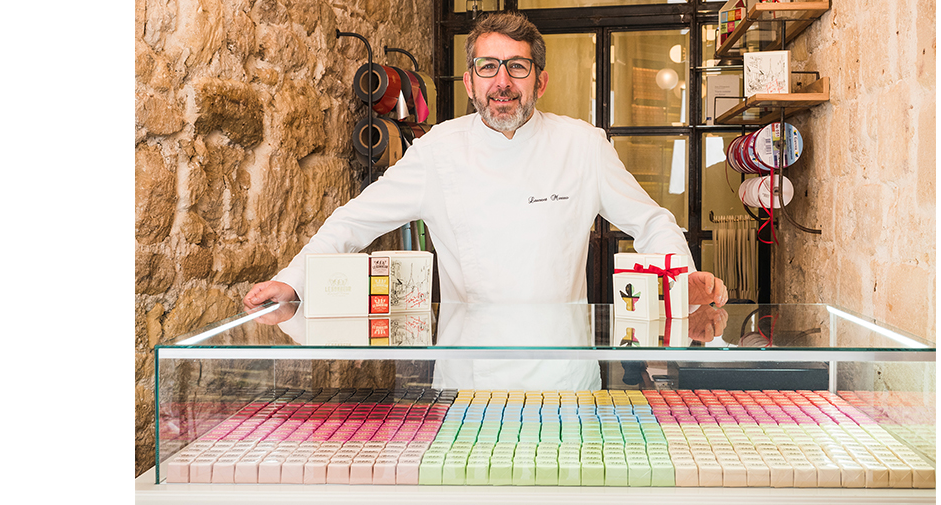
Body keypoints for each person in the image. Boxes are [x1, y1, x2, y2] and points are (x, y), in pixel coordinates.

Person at [244, 11, 728, 315]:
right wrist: (292, 280)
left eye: (517, 66)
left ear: (539, 82)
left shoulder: (583, 145)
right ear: (470, 82)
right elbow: (353, 221)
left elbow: (651, 222)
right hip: (467, 370)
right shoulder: (436, 149)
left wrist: (683, 279)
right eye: (488, 67)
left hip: (561, 372)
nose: (502, 81)